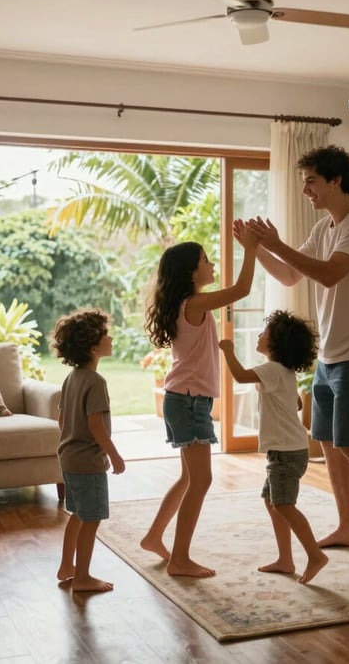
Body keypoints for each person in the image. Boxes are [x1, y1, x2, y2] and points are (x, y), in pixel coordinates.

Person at [247, 145, 349, 564]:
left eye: (311, 180)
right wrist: (256, 247)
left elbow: (331, 275)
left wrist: (277, 242)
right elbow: (289, 273)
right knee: (329, 442)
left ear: (336, 180)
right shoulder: (324, 229)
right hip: (332, 354)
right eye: (303, 181)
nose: (305, 190)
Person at [140, 222, 260, 577]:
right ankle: (179, 559)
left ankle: (153, 537)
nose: (211, 266)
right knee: (201, 480)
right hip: (189, 401)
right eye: (206, 260)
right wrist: (251, 248)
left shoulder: (185, 303)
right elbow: (242, 288)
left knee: (188, 477)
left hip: (187, 399)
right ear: (191, 272)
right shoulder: (194, 302)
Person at [219, 310, 328, 584]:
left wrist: (228, 351)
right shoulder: (283, 372)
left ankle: (315, 555)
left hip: (285, 453)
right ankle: (285, 559)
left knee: (284, 504)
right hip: (287, 450)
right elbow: (292, 403)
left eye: (264, 333)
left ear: (276, 343)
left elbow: (241, 376)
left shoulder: (271, 370)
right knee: (272, 502)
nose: (258, 335)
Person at [52, 308, 126, 592]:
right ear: (94, 347)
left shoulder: (72, 377)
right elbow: (96, 425)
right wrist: (114, 455)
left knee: (78, 515)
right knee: (91, 519)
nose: (111, 338)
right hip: (88, 462)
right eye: (106, 335)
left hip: (68, 458)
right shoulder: (96, 382)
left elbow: (61, 419)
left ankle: (67, 567)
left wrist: (71, 438)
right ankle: (82, 577)